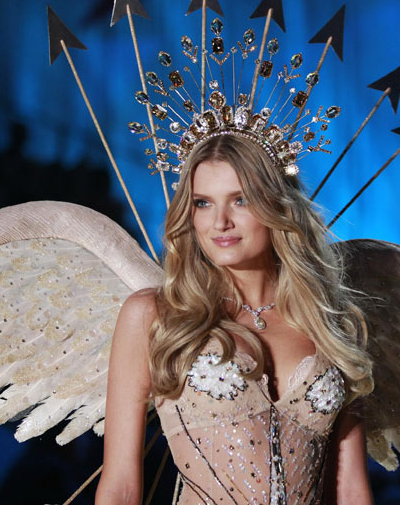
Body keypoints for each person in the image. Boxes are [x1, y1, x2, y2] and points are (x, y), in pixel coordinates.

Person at [96, 133, 376, 505]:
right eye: (203, 203)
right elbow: (120, 488)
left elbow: (350, 491)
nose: (220, 222)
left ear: (277, 205)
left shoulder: (330, 324)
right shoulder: (154, 315)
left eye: (240, 200)